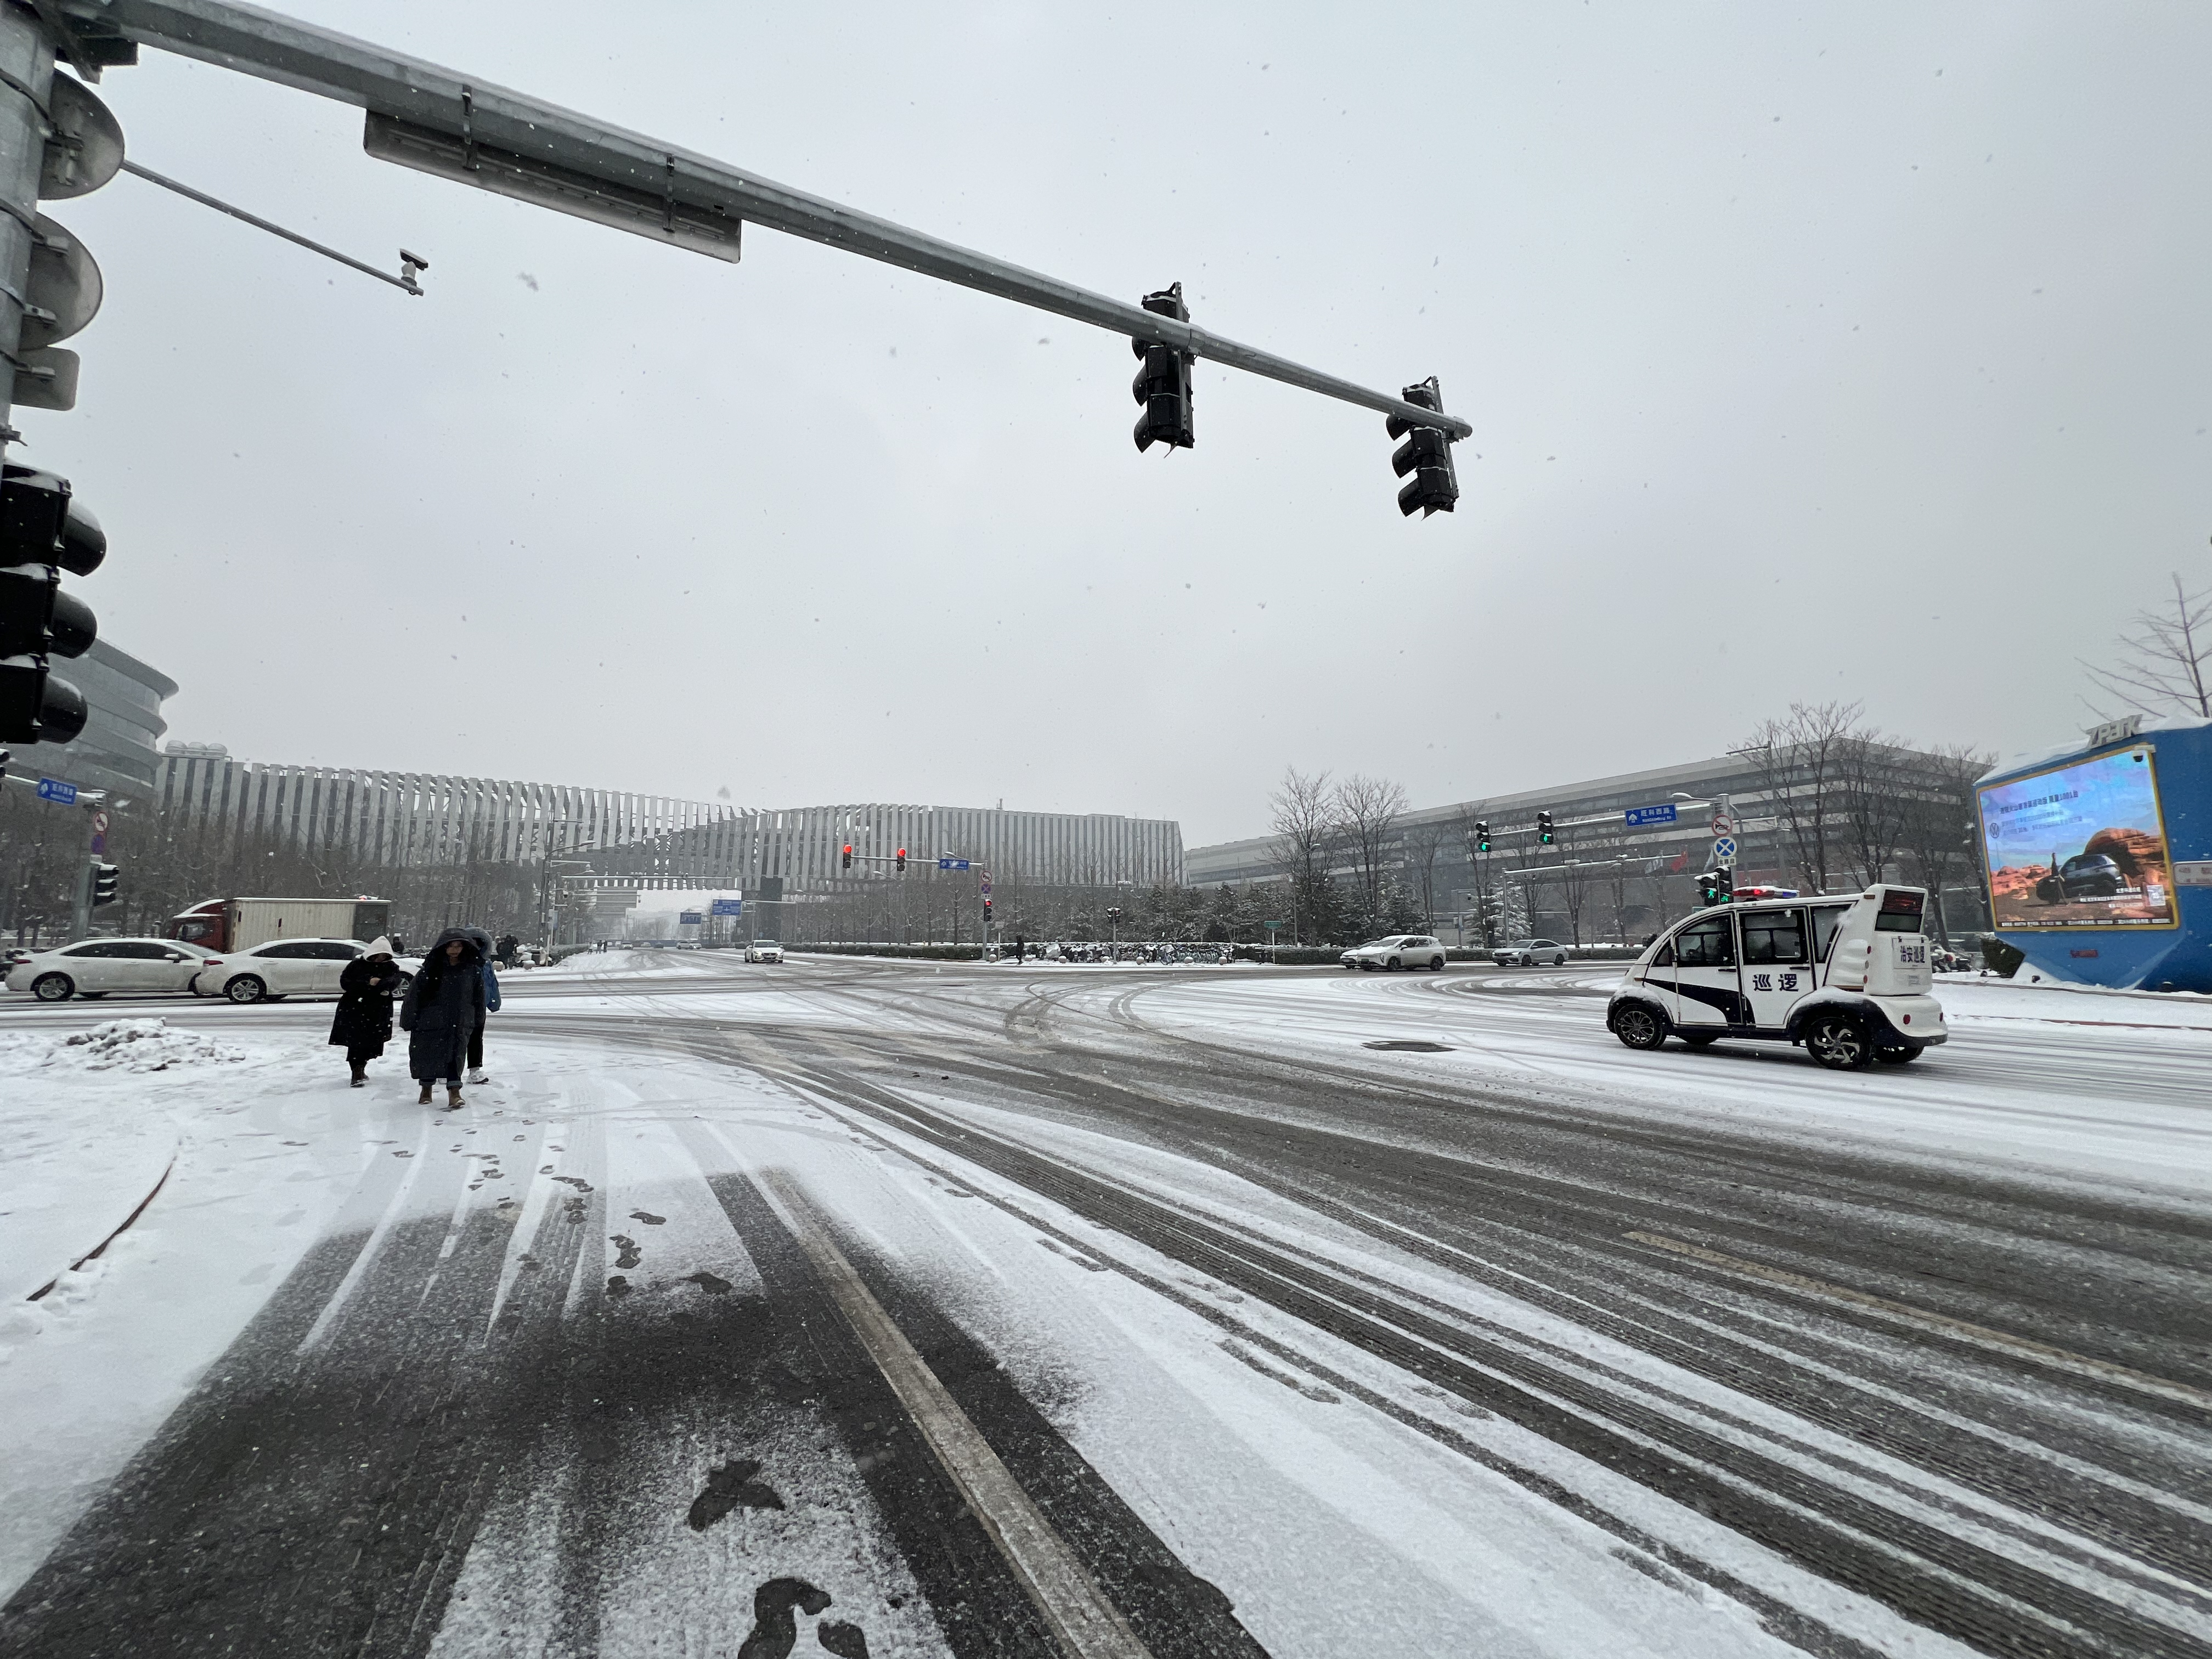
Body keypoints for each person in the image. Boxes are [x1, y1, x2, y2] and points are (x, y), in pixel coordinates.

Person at [400, 930, 487, 1109]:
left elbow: (478, 998)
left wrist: (477, 1021)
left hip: (459, 1021)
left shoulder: (471, 971)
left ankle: (454, 1092)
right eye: (451, 945)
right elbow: (414, 996)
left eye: (459, 946)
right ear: (443, 947)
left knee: (456, 1057)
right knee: (428, 1055)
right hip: (430, 1022)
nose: (455, 950)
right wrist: (409, 1019)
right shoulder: (430, 969)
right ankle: (426, 1090)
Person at [329, 938, 404, 1087]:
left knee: (372, 1042)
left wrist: (380, 983)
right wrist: (367, 982)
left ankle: (362, 1067)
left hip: (379, 1010)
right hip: (356, 1009)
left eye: (384, 956)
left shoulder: (391, 967)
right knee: (357, 1041)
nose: (381, 959)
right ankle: (356, 1071)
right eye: (378, 955)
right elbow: (345, 982)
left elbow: (394, 982)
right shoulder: (357, 965)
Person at [463, 926, 501, 1085]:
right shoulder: (458, 963)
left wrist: (494, 1002)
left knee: (476, 1038)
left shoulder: (486, 964)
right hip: (460, 1006)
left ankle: (475, 1069)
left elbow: (492, 984)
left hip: (479, 1007)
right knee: (455, 1039)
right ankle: (447, 1070)